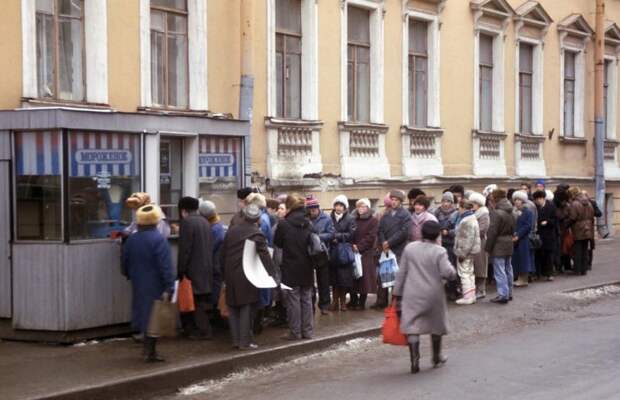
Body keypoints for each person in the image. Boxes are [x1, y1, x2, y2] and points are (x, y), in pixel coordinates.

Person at [392, 221, 457, 374]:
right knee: (436, 325)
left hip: (412, 293)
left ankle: (414, 361)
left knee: (412, 325)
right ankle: (436, 357)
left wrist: (396, 293)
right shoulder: (439, 251)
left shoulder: (410, 248)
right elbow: (449, 273)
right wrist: (453, 274)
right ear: (437, 235)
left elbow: (402, 273)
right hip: (433, 294)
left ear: (422, 232)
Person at [122, 204, 175, 362]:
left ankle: (147, 349)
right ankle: (149, 351)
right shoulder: (159, 240)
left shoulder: (132, 239)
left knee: (143, 313)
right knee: (154, 317)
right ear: (155, 221)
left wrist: (129, 275)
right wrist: (169, 285)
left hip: (138, 281)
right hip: (156, 283)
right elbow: (166, 265)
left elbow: (124, 261)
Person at [221, 204, 276, 350]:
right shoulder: (256, 234)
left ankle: (235, 340)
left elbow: (223, 253)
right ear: (257, 218)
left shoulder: (232, 231)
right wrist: (272, 274)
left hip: (230, 273)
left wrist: (223, 274)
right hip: (247, 274)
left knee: (232, 307)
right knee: (247, 307)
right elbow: (265, 256)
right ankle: (244, 342)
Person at [274, 193, 315, 340]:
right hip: (307, 266)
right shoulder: (309, 222)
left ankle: (295, 332)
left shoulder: (284, 224)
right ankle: (308, 332)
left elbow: (277, 243)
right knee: (306, 298)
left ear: (289, 206)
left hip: (290, 267)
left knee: (293, 300)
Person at [177, 196, 215, 340]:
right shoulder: (205, 221)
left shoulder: (187, 223)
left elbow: (185, 249)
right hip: (206, 267)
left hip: (193, 269)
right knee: (201, 300)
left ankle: (203, 331)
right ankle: (199, 329)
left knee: (195, 301)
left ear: (183, 210)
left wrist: (181, 270)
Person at [374, 190, 412, 309]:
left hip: (398, 249)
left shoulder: (405, 215)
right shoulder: (386, 214)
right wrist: (383, 242)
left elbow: (404, 232)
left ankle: (397, 302)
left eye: (396, 200)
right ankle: (381, 301)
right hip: (385, 250)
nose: (393, 202)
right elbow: (380, 230)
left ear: (400, 201)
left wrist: (389, 242)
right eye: (392, 200)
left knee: (397, 277)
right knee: (383, 275)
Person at [306, 195, 335, 315]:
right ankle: (311, 305)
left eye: (314, 208)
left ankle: (324, 305)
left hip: (322, 253)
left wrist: (317, 237)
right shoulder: (305, 219)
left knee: (323, 281)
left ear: (318, 208)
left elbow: (332, 233)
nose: (312, 211)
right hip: (308, 253)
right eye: (310, 209)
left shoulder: (326, 218)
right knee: (309, 282)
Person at [486, 190, 516, 304]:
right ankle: (509, 293)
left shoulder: (496, 213)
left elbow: (492, 232)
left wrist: (488, 248)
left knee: (499, 270)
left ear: (495, 199)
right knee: (508, 268)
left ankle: (503, 295)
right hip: (509, 242)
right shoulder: (511, 211)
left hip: (498, 244)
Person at [329, 195, 356, 312]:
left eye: (341, 205)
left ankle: (343, 303)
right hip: (333, 252)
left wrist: (337, 236)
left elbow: (351, 234)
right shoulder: (329, 218)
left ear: (345, 207)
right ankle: (334, 302)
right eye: (337, 205)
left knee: (344, 279)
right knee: (334, 279)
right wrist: (332, 237)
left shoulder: (350, 218)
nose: (338, 208)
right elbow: (327, 230)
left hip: (344, 252)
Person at [351, 198, 378, 311]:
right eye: (359, 206)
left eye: (363, 206)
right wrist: (352, 245)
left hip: (365, 253)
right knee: (353, 278)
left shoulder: (373, 221)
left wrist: (360, 246)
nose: (360, 209)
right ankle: (353, 300)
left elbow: (371, 236)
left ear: (368, 208)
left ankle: (362, 302)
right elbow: (350, 233)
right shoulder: (353, 219)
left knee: (364, 279)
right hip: (353, 251)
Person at [199, 200, 226, 307]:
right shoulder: (217, 226)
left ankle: (216, 313)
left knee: (215, 294)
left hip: (215, 267)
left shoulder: (214, 229)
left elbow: (210, 248)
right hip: (217, 265)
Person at [454, 199, 480, 305]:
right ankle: (471, 295)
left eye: (459, 207)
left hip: (465, 252)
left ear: (463, 208)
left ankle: (467, 296)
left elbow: (467, 240)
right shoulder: (472, 218)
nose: (458, 209)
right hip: (471, 251)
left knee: (464, 273)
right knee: (469, 272)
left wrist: (462, 254)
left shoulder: (466, 220)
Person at [434, 191, 459, 300]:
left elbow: (459, 229)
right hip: (439, 243)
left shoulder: (456, 213)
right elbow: (433, 225)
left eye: (448, 201)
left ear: (452, 202)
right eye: (444, 201)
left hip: (451, 243)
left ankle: (453, 289)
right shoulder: (437, 212)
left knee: (451, 266)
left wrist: (448, 232)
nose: (445, 204)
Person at [567, 187, 595, 276]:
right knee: (585, 250)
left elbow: (572, 217)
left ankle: (577, 270)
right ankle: (584, 270)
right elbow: (592, 215)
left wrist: (566, 225)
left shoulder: (574, 204)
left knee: (577, 250)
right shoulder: (589, 203)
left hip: (578, 229)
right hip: (588, 228)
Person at [533, 190, 557, 281]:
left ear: (543, 198)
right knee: (538, 255)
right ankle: (538, 273)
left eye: (539, 199)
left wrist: (547, 222)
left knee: (549, 255)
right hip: (539, 235)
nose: (538, 201)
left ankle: (550, 274)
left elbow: (555, 220)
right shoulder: (536, 208)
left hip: (549, 235)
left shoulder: (551, 207)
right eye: (536, 199)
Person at [469, 192, 490, 300]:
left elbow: (482, 229)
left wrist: (470, 232)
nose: (471, 205)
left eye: (473, 203)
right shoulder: (473, 213)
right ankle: (475, 289)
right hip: (473, 242)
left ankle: (481, 289)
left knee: (480, 266)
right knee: (474, 266)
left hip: (480, 243)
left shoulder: (483, 214)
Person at [512, 191, 533, 287]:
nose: (517, 201)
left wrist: (519, 235)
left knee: (523, 259)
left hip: (523, 239)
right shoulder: (514, 211)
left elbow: (528, 226)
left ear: (523, 201)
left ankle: (523, 279)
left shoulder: (528, 212)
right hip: (514, 238)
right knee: (517, 259)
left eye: (519, 200)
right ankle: (518, 277)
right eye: (515, 199)